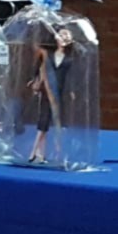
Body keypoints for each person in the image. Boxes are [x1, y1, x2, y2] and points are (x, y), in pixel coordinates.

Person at [28, 27, 76, 164]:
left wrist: (71, 90)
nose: (64, 38)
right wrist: (34, 79)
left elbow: (71, 76)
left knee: (51, 120)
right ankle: (34, 152)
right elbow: (38, 67)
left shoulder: (69, 59)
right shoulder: (48, 54)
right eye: (61, 34)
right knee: (44, 119)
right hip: (47, 90)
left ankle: (41, 154)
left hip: (60, 92)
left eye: (67, 35)